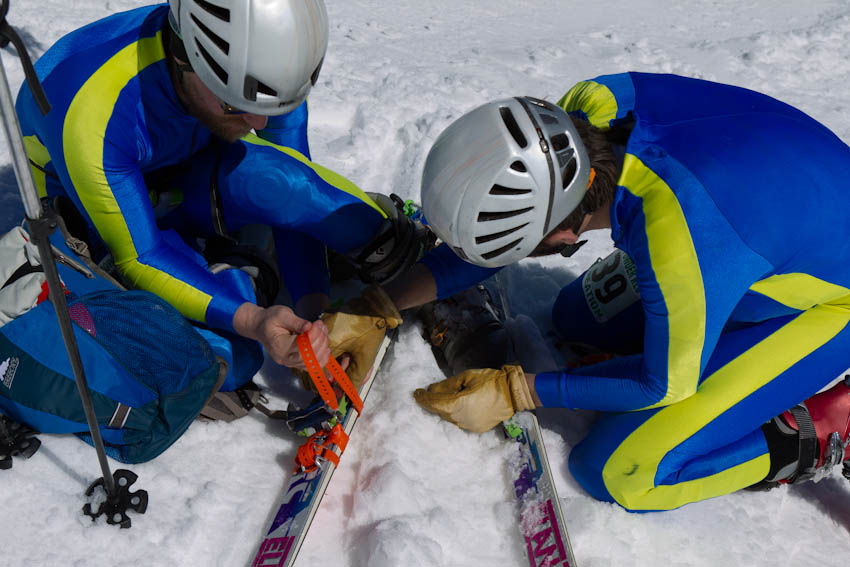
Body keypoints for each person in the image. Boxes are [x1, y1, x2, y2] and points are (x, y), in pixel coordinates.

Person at [373, 72, 850, 512]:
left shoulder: (681, 243)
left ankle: (829, 428)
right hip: (770, 221)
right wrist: (378, 305)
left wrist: (517, 390)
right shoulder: (584, 113)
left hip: (828, 299)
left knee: (618, 470)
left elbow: (661, 384)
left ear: (563, 238)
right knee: (576, 316)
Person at [15, 0, 424, 391]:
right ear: (184, 58)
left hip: (183, 166)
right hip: (91, 208)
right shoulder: (93, 116)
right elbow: (142, 255)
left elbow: (293, 178)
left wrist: (314, 313)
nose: (259, 121)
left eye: (272, 102)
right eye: (237, 104)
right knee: (225, 359)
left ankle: (244, 263)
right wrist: (254, 319)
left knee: (286, 187)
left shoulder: (264, 59)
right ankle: (240, 265)